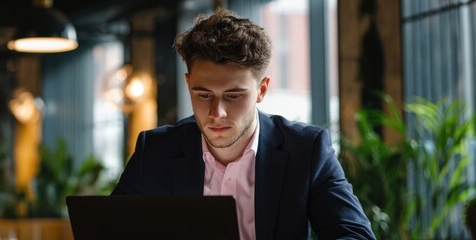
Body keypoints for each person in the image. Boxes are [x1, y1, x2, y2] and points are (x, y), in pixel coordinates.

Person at [112, 9, 375, 240]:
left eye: (233, 96)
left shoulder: (306, 151)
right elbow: (109, 231)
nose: (218, 113)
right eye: (203, 95)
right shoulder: (156, 150)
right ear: (188, 84)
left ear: (262, 90)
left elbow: (354, 235)